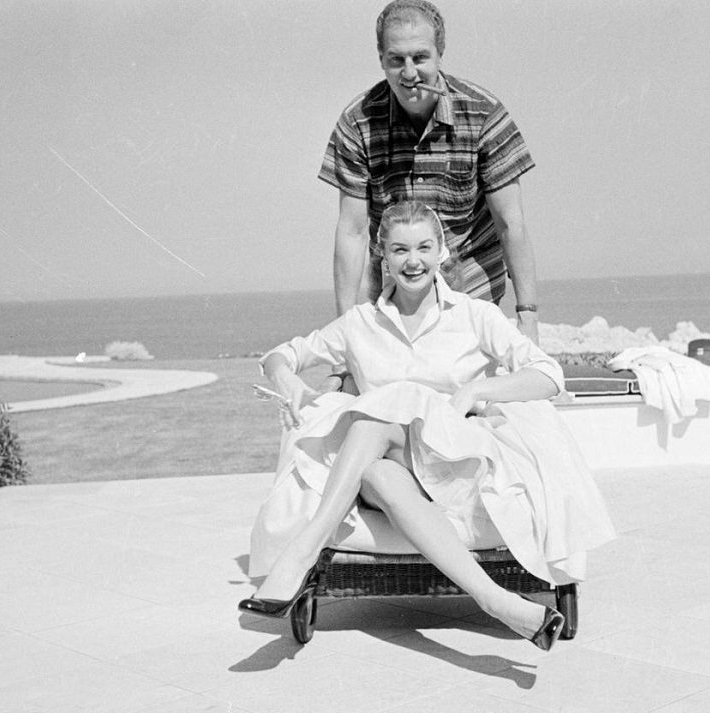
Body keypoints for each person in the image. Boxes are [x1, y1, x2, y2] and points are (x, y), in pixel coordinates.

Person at [239, 201, 614, 651]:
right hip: (393, 461)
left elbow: (548, 375)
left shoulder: (475, 316)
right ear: (383, 257)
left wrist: (477, 393)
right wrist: (286, 377)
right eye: (399, 249)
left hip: (457, 460)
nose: (412, 260)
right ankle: (495, 600)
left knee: (380, 410)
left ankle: (302, 551)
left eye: (422, 247)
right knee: (376, 461)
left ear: (441, 252)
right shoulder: (360, 323)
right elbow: (283, 355)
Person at [320, 0, 541, 343]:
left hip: (472, 294)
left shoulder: (484, 115)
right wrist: (346, 331)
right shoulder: (357, 122)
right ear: (381, 59)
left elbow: (510, 223)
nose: (409, 73)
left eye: (420, 58)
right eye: (397, 60)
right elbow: (352, 231)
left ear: (440, 53)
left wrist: (527, 317)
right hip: (394, 295)